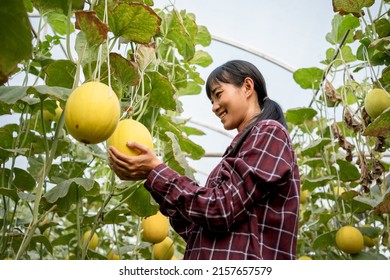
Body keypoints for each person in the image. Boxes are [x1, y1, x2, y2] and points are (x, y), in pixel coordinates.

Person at [108, 60, 300, 260]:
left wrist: (157, 171)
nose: (214, 107)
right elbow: (198, 228)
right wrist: (152, 176)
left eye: (218, 95)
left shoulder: (270, 133)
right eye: (211, 101)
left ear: (247, 87)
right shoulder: (241, 148)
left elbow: (221, 209)